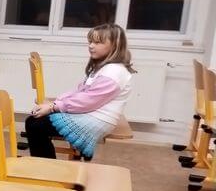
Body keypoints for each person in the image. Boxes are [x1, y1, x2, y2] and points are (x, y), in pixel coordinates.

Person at [25, 23, 135, 160]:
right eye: (90, 42)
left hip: (96, 119)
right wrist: (56, 103)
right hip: (92, 114)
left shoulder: (113, 72)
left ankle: (46, 168)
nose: (91, 46)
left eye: (97, 42)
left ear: (115, 45)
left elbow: (88, 101)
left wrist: (53, 107)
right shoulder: (105, 67)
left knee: (36, 125)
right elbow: (80, 92)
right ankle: (47, 166)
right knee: (35, 122)